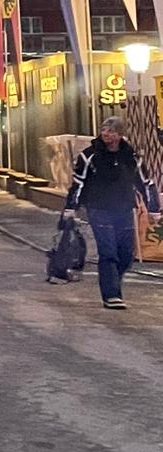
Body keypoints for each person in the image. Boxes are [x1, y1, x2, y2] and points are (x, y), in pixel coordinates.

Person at [66, 118, 147, 310]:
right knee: (108, 251)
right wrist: (71, 207)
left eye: (111, 131)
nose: (106, 134)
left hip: (124, 209)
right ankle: (111, 295)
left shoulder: (131, 156)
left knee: (126, 254)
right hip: (98, 209)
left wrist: (153, 208)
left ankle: (111, 279)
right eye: (104, 130)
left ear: (120, 134)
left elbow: (144, 182)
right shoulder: (89, 155)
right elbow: (78, 183)